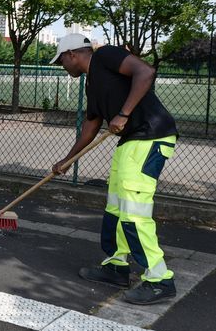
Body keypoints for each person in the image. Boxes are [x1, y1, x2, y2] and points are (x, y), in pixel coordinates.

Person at [50, 34, 178, 305]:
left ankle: (159, 280)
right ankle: (116, 267)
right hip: (130, 142)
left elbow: (146, 71)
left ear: (72, 54)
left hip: (151, 137)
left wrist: (123, 113)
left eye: (61, 60)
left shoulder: (106, 55)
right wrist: (68, 159)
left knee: (134, 211)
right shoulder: (92, 84)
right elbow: (91, 125)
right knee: (116, 209)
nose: (62, 65)